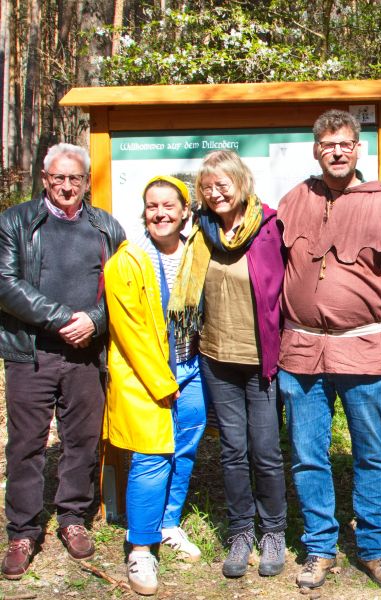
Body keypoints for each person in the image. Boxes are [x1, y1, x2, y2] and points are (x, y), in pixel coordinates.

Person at [277, 109, 381, 590]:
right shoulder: (296, 199)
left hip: (365, 351)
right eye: (327, 144)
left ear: (358, 149)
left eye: (344, 144)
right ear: (316, 150)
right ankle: (320, 547)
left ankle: (374, 549)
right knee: (307, 455)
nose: (336, 152)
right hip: (301, 353)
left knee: (372, 455)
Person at [0, 143, 125, 578]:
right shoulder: (15, 221)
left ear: (87, 181)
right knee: (26, 444)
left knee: (82, 442)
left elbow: (124, 290)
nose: (67, 186)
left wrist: (94, 320)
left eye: (75, 178)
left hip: (86, 354)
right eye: (59, 178)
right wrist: (62, 320)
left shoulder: (106, 227)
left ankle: (72, 518)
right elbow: (5, 283)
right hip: (30, 352)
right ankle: (22, 531)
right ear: (45, 178)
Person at [169, 150, 287, 578]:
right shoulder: (201, 232)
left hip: (261, 361)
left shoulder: (269, 228)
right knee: (233, 451)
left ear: (241, 183)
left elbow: (285, 289)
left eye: (223, 184)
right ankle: (241, 532)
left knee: (266, 451)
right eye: (207, 187)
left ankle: (273, 531)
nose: (215, 193)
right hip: (217, 358)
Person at [103, 176, 206, 595]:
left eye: (168, 205)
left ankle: (168, 523)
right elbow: (130, 332)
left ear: (185, 211)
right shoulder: (128, 261)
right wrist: (162, 381)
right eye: (152, 206)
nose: (160, 213)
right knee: (151, 457)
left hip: (192, 369)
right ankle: (140, 548)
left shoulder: (197, 253)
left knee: (184, 449)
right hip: (149, 378)